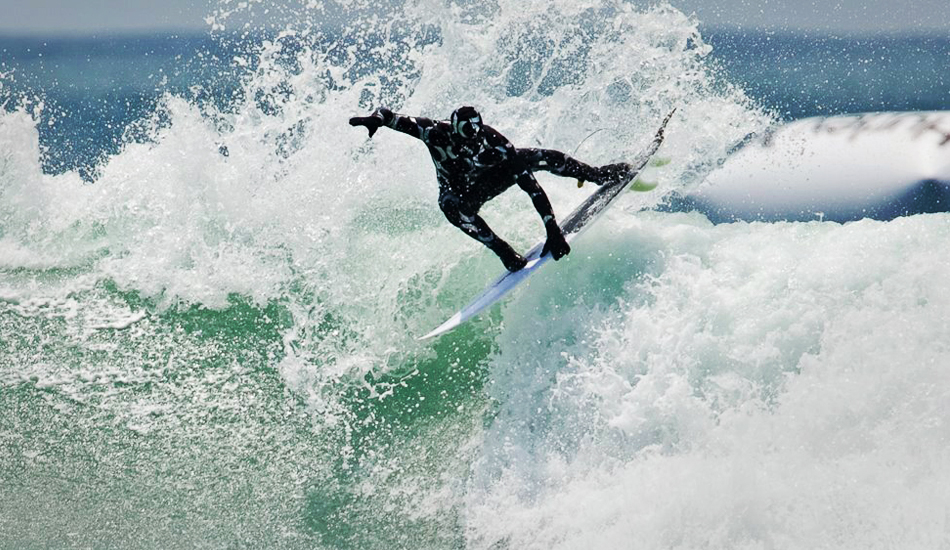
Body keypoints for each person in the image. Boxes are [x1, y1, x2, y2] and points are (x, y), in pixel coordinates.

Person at [349, 106, 631, 272]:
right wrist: (375, 120)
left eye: (475, 139)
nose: (470, 146)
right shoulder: (434, 132)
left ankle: (597, 174)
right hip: (462, 195)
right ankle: (504, 252)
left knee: (542, 157)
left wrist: (552, 229)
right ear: (454, 131)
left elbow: (530, 187)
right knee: (449, 207)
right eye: (464, 141)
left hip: (492, 178)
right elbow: (389, 116)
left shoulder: (496, 144)